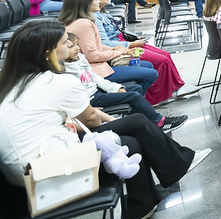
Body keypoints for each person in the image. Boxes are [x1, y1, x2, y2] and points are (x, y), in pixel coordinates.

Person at [0, 21, 210, 219]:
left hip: (19, 174)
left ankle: (149, 198)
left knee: (134, 131)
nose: (71, 46)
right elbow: (91, 120)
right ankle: (160, 184)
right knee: (134, 132)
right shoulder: (55, 81)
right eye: (65, 43)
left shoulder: (12, 81)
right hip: (43, 173)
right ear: (48, 53)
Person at [90, 0, 192, 105]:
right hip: (120, 48)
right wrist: (131, 45)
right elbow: (105, 43)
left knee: (165, 55)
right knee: (161, 60)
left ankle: (176, 87)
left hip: (124, 43)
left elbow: (117, 32)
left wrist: (134, 38)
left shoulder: (102, 13)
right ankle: (157, 97)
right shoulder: (95, 18)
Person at [62, 33, 188, 131]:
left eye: (77, 45)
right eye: (71, 46)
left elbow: (94, 77)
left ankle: (141, 120)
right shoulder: (65, 70)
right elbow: (75, 94)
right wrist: (87, 107)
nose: (77, 48)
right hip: (92, 98)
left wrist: (115, 88)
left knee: (137, 89)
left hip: (96, 90)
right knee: (134, 96)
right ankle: (159, 122)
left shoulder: (80, 59)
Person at [60, 0, 159, 94]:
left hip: (97, 66)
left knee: (148, 65)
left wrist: (123, 51)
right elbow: (93, 56)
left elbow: (97, 46)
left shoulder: (79, 21)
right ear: (86, 4)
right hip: (96, 71)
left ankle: (133, 97)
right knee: (151, 74)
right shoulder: (83, 24)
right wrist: (118, 52)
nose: (99, 1)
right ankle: (132, 99)